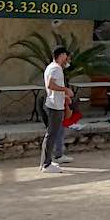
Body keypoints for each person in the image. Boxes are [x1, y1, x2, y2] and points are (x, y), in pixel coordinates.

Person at [41, 45, 73, 174]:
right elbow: (50, 85)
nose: (67, 58)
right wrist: (65, 90)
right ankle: (46, 164)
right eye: (66, 55)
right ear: (61, 55)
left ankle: (47, 161)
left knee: (52, 134)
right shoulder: (56, 69)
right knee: (51, 134)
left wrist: (64, 96)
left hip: (55, 104)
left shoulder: (52, 67)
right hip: (54, 106)